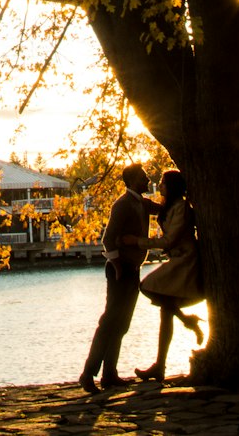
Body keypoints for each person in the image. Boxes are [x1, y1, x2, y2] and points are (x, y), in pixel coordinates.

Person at [78, 161, 157, 394]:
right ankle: (88, 374)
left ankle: (109, 374)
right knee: (109, 322)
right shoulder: (122, 205)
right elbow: (108, 239)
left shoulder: (141, 203)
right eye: (144, 177)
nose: (148, 180)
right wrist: (116, 263)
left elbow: (160, 209)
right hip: (119, 270)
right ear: (132, 180)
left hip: (133, 269)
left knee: (122, 324)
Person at [133, 168, 205, 381]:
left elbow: (170, 240)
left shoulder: (181, 208)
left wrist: (137, 241)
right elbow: (153, 209)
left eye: (163, 182)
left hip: (185, 260)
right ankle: (161, 364)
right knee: (165, 310)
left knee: (147, 286)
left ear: (172, 186)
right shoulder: (170, 206)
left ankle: (161, 362)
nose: (160, 185)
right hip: (177, 260)